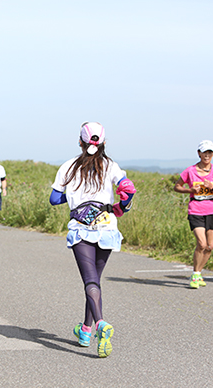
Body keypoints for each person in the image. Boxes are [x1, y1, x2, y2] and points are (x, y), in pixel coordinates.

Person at [50, 122, 135, 358]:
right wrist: (121, 205)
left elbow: (54, 199)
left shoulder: (68, 167)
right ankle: (85, 331)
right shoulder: (111, 166)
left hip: (81, 228)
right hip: (107, 228)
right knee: (95, 281)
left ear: (80, 142)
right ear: (104, 143)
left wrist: (75, 196)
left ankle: (100, 324)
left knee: (90, 282)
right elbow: (127, 193)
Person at [174, 140, 213, 289]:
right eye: (204, 152)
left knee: (209, 246)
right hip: (196, 211)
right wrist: (191, 190)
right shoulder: (190, 171)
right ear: (199, 153)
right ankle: (196, 273)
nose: (207, 155)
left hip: (212, 211)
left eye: (210, 153)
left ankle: (198, 272)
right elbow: (177, 187)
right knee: (201, 244)